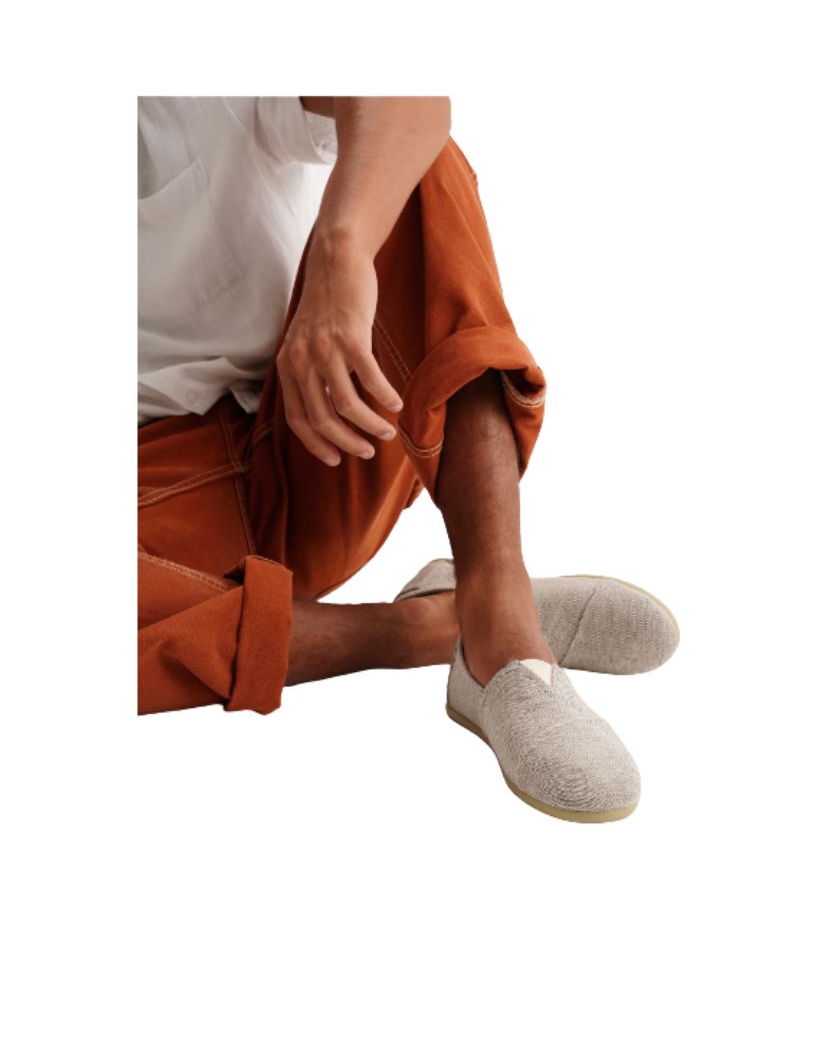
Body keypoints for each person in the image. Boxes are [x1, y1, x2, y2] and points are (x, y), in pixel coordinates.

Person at [138, 96, 680, 822]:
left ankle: (500, 616)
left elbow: (408, 98)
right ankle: (432, 628)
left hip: (318, 427)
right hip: (159, 530)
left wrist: (340, 254)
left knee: (415, 171)